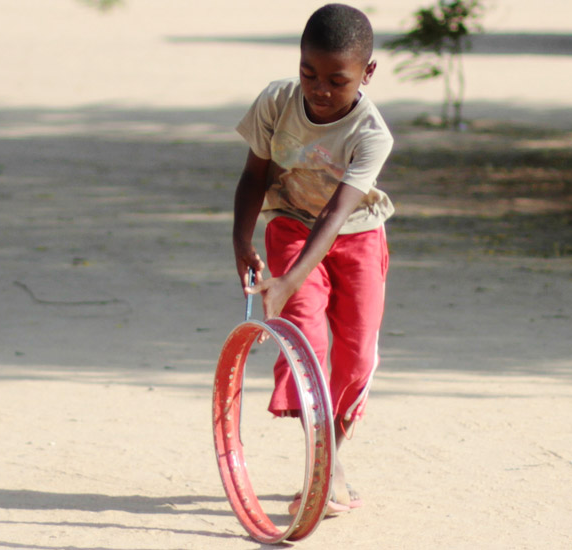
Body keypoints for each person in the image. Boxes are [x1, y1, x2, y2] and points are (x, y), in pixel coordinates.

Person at [231, 3, 393, 516]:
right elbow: (254, 175)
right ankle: (326, 471)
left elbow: (338, 214)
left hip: (356, 235)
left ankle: (331, 460)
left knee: (356, 354)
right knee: (305, 338)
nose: (319, 89)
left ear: (367, 74)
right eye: (309, 73)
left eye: (336, 80)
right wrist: (241, 242)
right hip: (290, 226)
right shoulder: (277, 102)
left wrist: (287, 280)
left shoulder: (372, 134)